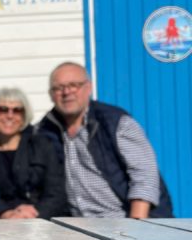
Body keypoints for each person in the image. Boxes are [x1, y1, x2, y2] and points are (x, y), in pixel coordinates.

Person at [38, 61, 172, 218]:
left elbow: (145, 176)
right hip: (77, 226)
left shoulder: (116, 123)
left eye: (74, 85)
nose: (66, 92)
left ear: (88, 87)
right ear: (51, 94)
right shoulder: (45, 130)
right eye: (58, 88)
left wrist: (136, 225)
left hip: (123, 220)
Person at [0, 88, 67, 219]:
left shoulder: (42, 145)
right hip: (0, 223)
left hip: (41, 220)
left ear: (24, 116)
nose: (10, 115)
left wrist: (35, 213)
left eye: (17, 110)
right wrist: (5, 213)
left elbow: (56, 191)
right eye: (3, 109)